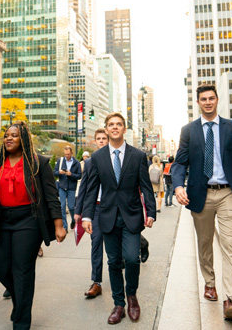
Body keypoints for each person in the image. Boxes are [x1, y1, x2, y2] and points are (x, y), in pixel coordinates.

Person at [172, 84, 232, 320]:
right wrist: (178, 186)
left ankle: (230, 298)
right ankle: (209, 282)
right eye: (203, 99)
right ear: (198, 102)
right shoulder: (189, 130)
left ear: (217, 100)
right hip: (201, 194)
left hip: (229, 193)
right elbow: (180, 163)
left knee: (230, 246)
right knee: (205, 244)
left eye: (211, 98)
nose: (208, 102)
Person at [0, 121, 66, 330]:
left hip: (29, 220)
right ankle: (20, 298)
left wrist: (58, 224)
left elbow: (51, 196)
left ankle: (21, 321)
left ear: (24, 139)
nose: (9, 138)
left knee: (22, 270)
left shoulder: (39, 163)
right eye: (6, 135)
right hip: (3, 219)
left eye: (14, 135)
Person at [82, 113, 155, 325]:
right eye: (111, 125)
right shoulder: (97, 158)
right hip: (107, 217)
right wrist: (87, 215)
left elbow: (146, 187)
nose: (115, 128)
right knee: (113, 262)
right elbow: (91, 189)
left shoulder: (138, 156)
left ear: (124, 129)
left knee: (132, 259)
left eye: (119, 124)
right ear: (106, 129)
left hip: (131, 216)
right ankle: (119, 304)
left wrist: (150, 212)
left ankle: (132, 297)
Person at [74, 129, 109, 299]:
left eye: (104, 138)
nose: (101, 141)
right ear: (95, 141)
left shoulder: (116, 159)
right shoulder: (89, 163)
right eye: (99, 139)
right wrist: (78, 212)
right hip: (95, 209)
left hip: (113, 209)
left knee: (114, 248)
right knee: (96, 244)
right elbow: (84, 188)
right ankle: (96, 282)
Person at [53, 146, 82, 230]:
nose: (67, 156)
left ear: (71, 152)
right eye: (65, 154)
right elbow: (54, 173)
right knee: (62, 206)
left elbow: (79, 176)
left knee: (71, 207)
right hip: (62, 187)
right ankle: (65, 227)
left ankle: (73, 220)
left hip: (71, 188)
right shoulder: (60, 161)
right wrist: (60, 172)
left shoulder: (76, 163)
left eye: (68, 154)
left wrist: (71, 174)